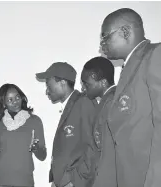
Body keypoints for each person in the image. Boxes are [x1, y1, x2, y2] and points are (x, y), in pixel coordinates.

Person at [100, 8, 161, 187]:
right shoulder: (130, 68)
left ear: (125, 32)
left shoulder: (155, 55)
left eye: (105, 37)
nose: (102, 44)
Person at [36, 62, 96, 187]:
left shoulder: (84, 103)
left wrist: (75, 179)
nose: (47, 91)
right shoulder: (71, 105)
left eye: (48, 84)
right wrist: (55, 179)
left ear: (62, 83)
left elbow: (93, 146)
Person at [0, 83, 47, 187]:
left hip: (25, 182)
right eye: (10, 100)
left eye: (17, 97)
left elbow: (43, 156)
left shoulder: (35, 121)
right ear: (3, 103)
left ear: (22, 97)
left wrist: (36, 148)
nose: (15, 102)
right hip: (1, 182)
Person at [80, 56, 116, 187]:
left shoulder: (112, 103)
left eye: (86, 83)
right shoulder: (105, 102)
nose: (83, 88)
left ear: (102, 82)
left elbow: (109, 150)